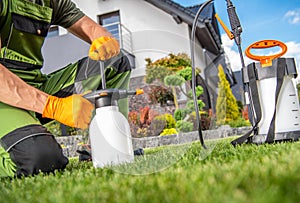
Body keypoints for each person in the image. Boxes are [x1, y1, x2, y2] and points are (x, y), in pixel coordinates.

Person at [0, 0, 131, 178]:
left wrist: (103, 39)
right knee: (41, 159)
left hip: (35, 86)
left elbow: (88, 26)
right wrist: (52, 106)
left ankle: (105, 146)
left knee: (115, 62)